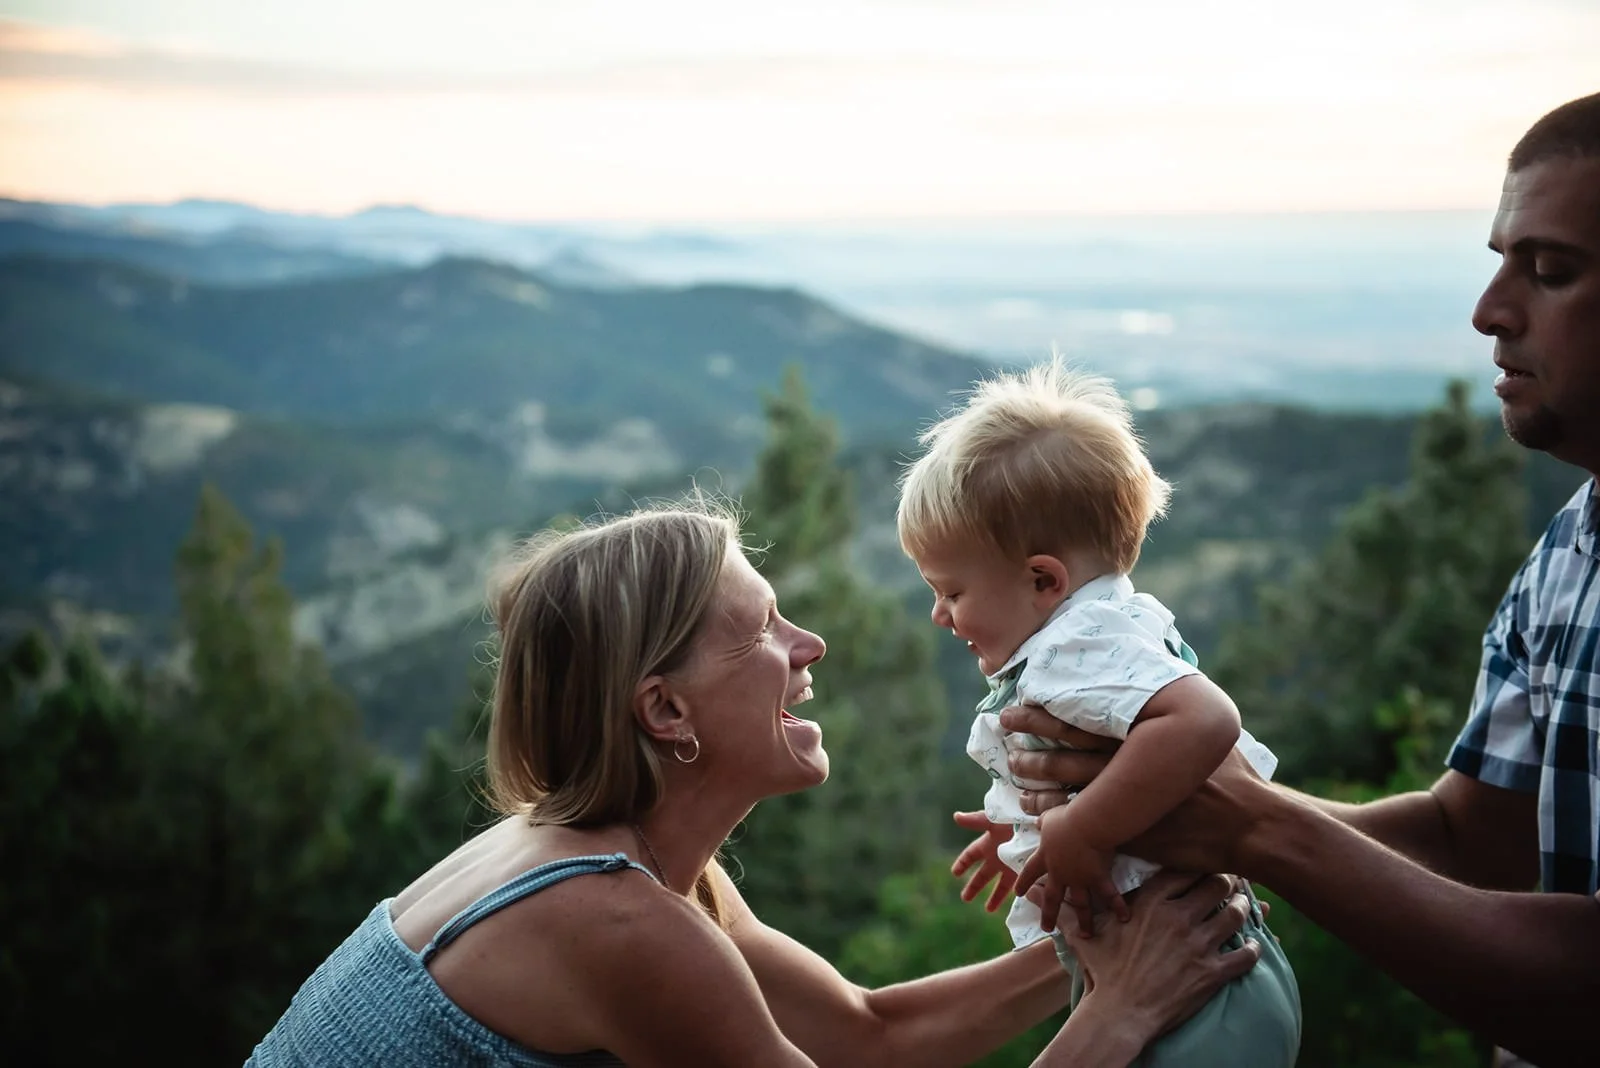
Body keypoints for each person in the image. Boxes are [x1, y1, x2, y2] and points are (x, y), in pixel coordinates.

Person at [1008, 91, 1600, 1068]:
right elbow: (1469, 842)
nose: (1488, 310)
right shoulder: (1570, 553)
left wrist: (1256, 825)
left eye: (1551, 271)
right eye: (1501, 262)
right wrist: (1197, 800)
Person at [246, 500, 1264, 1068]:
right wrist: (1116, 1015)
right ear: (665, 710)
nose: (810, 644)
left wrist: (1112, 916)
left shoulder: (621, 863)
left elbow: (869, 1034)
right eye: (765, 631)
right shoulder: (611, 920)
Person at [896, 363, 1301, 1068]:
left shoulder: (1076, 646)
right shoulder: (1103, 628)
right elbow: (1122, 757)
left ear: (1043, 579)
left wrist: (1082, 828)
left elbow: (1205, 719)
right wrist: (1026, 826)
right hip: (1195, 969)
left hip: (1195, 988)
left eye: (951, 592)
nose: (940, 615)